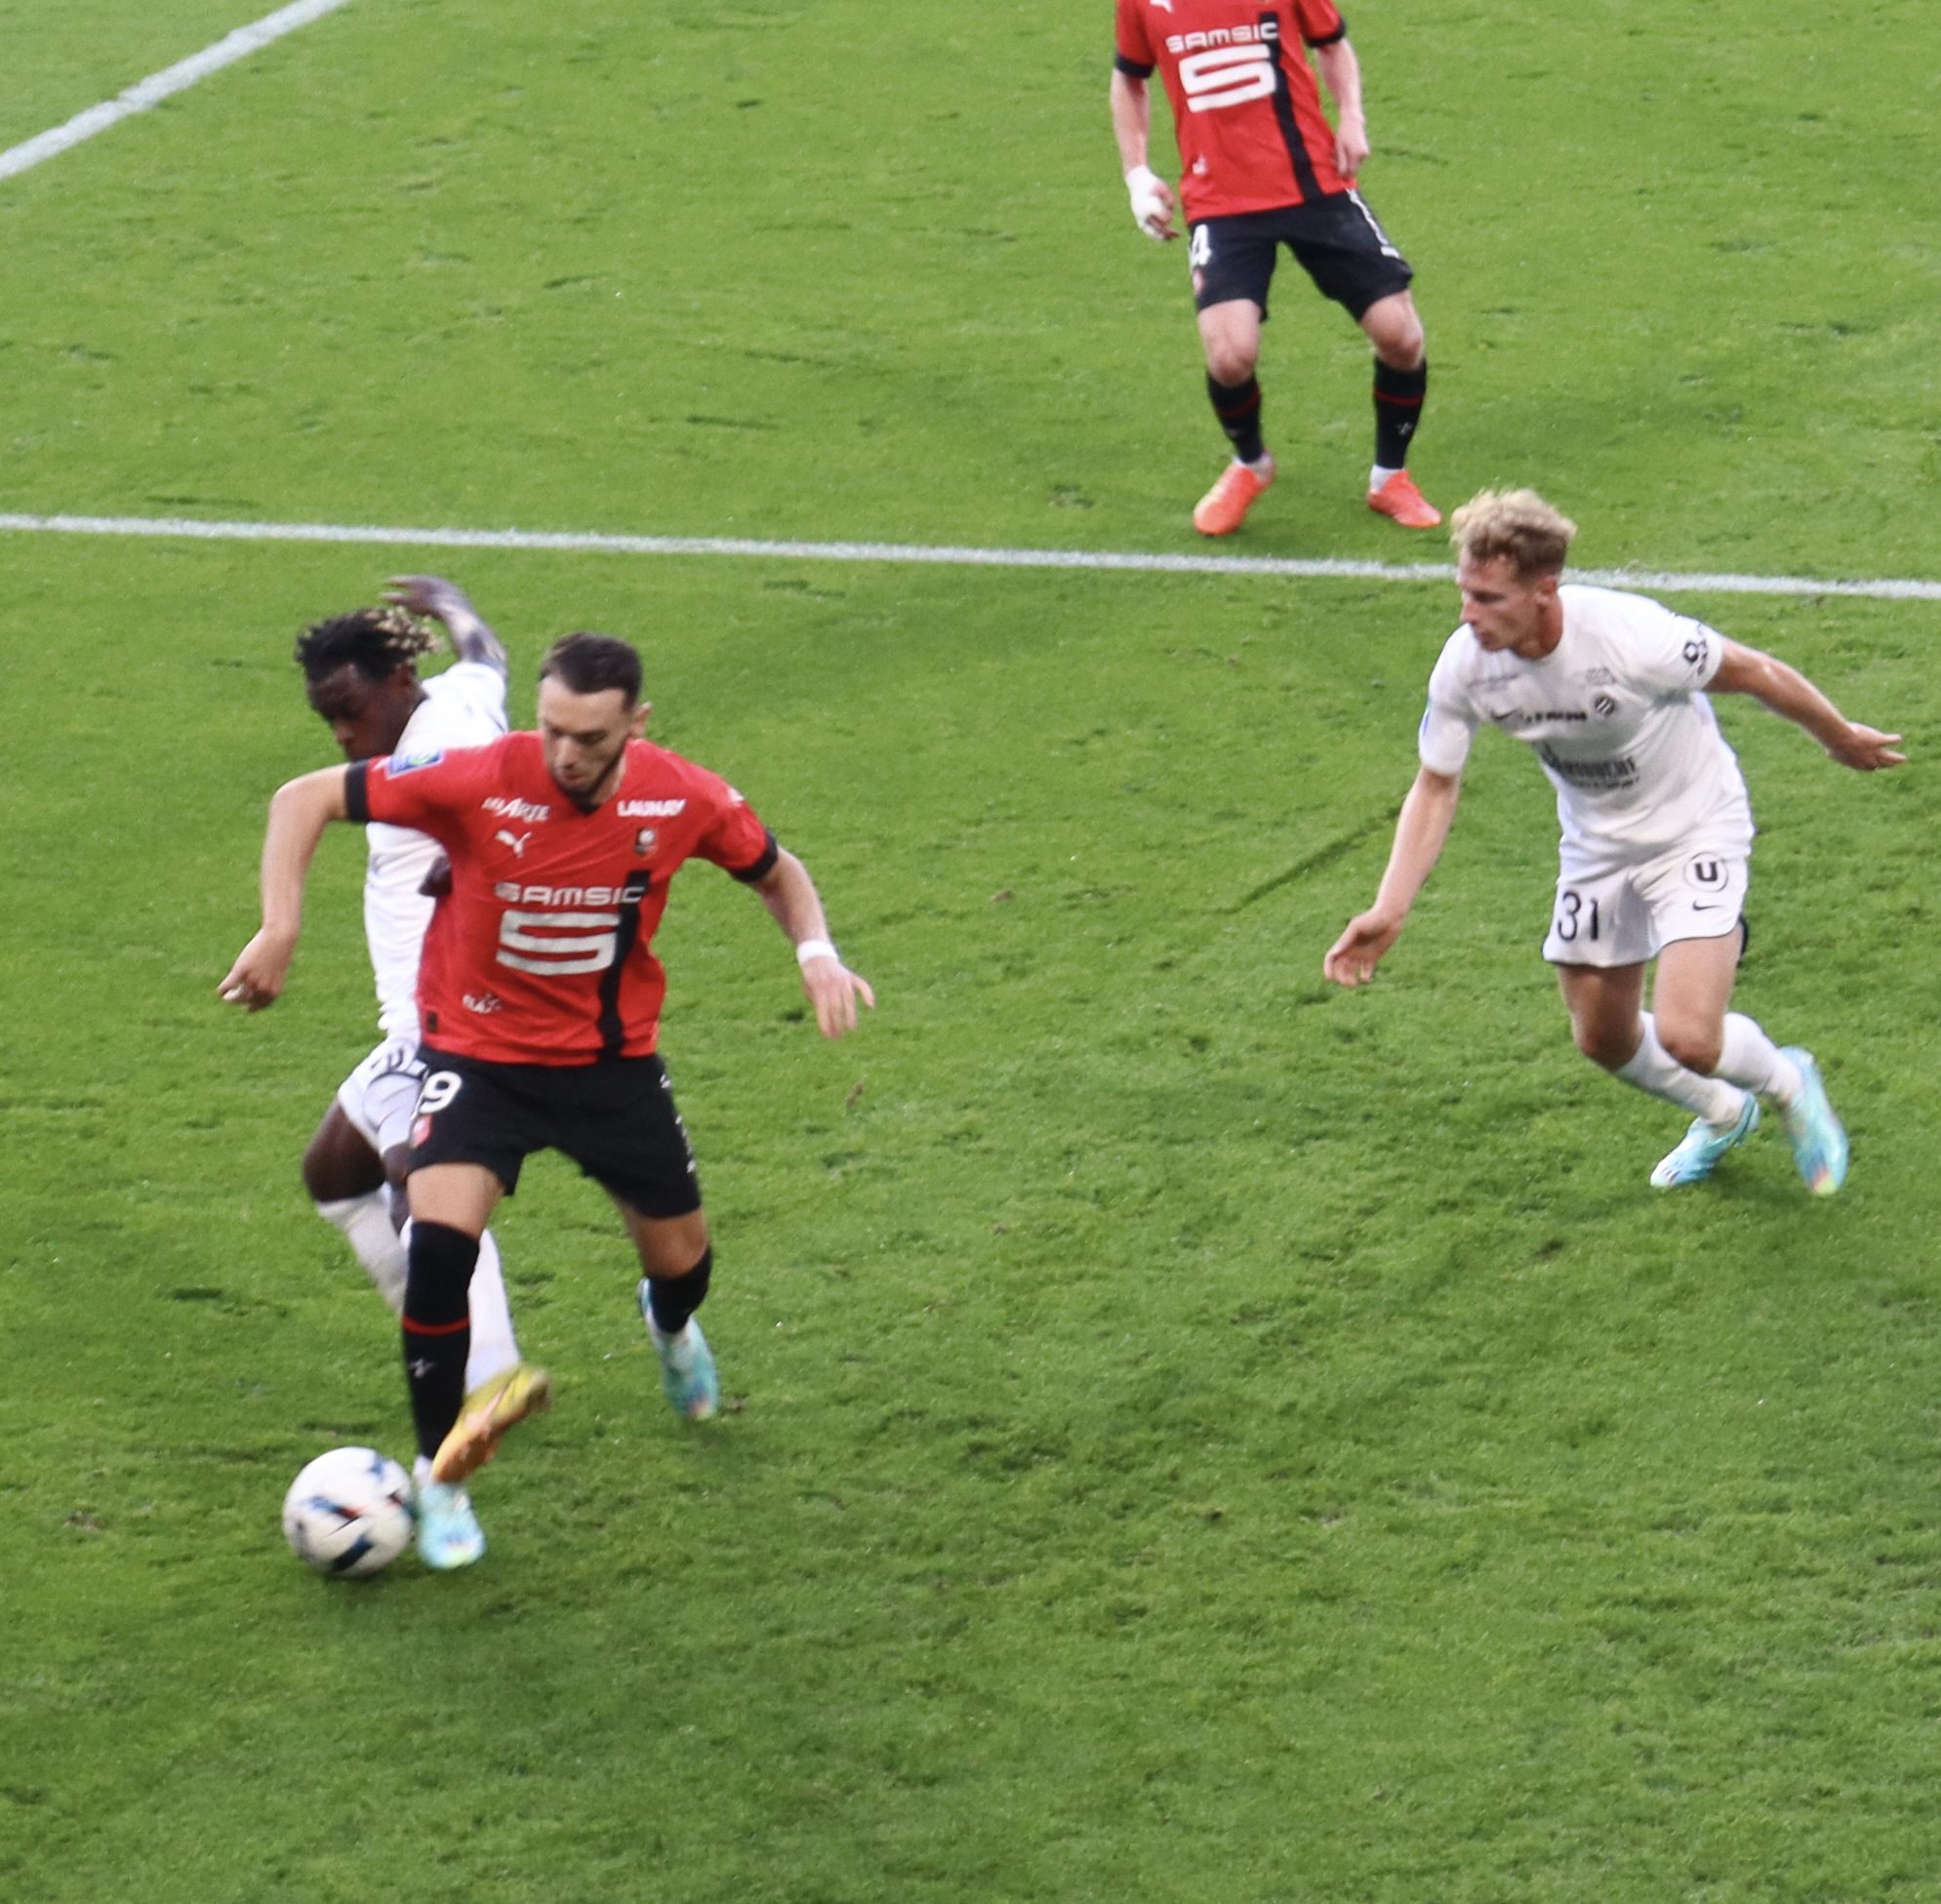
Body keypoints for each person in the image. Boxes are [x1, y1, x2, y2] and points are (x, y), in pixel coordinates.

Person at [222, 630, 874, 1570]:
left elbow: (777, 871)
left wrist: (816, 953)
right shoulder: (483, 777)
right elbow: (304, 797)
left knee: (684, 1264)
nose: (565, 753)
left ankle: (669, 1325)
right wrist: (279, 926)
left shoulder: (681, 794)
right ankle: (439, 1475)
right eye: (552, 729)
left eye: (590, 738)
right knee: (438, 1250)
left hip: (610, 1069)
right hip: (479, 1060)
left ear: (635, 724)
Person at [1323, 488, 1906, 1194]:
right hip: (1596, 846)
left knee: (1690, 1036)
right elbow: (1436, 784)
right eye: (1465, 592)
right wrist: (1389, 907)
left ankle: (1788, 1083)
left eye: (1488, 598)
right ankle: (1723, 1112)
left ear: (1545, 590)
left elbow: (1754, 671)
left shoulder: (1632, 638)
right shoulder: (1466, 664)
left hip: (1695, 828)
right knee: (1601, 1037)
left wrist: (1837, 736)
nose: (1468, 614)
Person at [291, 579, 524, 1560]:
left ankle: (489, 1378)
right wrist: (455, 604)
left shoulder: (432, 758)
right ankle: (465, 1353)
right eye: (328, 719)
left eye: (350, 710)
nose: (344, 735)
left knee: (417, 1184)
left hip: (442, 1023)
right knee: (333, 1174)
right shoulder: (456, 700)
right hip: (441, 1019)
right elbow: (488, 660)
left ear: (395, 682)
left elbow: (490, 821)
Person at [1111, 0, 1439, 539]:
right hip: (1221, 202)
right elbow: (1129, 78)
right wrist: (1137, 176)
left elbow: (1332, 43)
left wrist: (1352, 117)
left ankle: (1390, 478)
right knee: (1229, 355)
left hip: (1316, 185)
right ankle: (1251, 464)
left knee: (1400, 334)